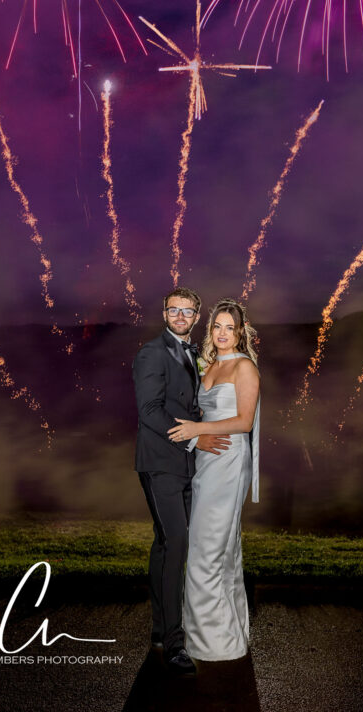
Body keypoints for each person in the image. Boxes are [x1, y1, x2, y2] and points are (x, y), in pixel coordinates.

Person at [132, 288, 232, 673]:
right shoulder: (152, 353)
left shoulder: (193, 353)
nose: (178, 316)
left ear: (195, 317)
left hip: (187, 463)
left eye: (186, 311)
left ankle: (160, 629)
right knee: (177, 542)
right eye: (172, 309)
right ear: (163, 312)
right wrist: (195, 436)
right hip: (160, 462)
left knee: (164, 543)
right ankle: (175, 643)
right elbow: (149, 411)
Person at [168, 297, 260, 662]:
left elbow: (244, 422)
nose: (222, 333)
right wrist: (195, 435)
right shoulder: (208, 368)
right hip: (205, 462)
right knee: (214, 549)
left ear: (240, 333)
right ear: (211, 330)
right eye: (217, 326)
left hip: (229, 463)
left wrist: (197, 428)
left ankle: (212, 645)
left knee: (208, 551)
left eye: (229, 327)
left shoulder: (245, 369)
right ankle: (225, 634)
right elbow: (194, 412)